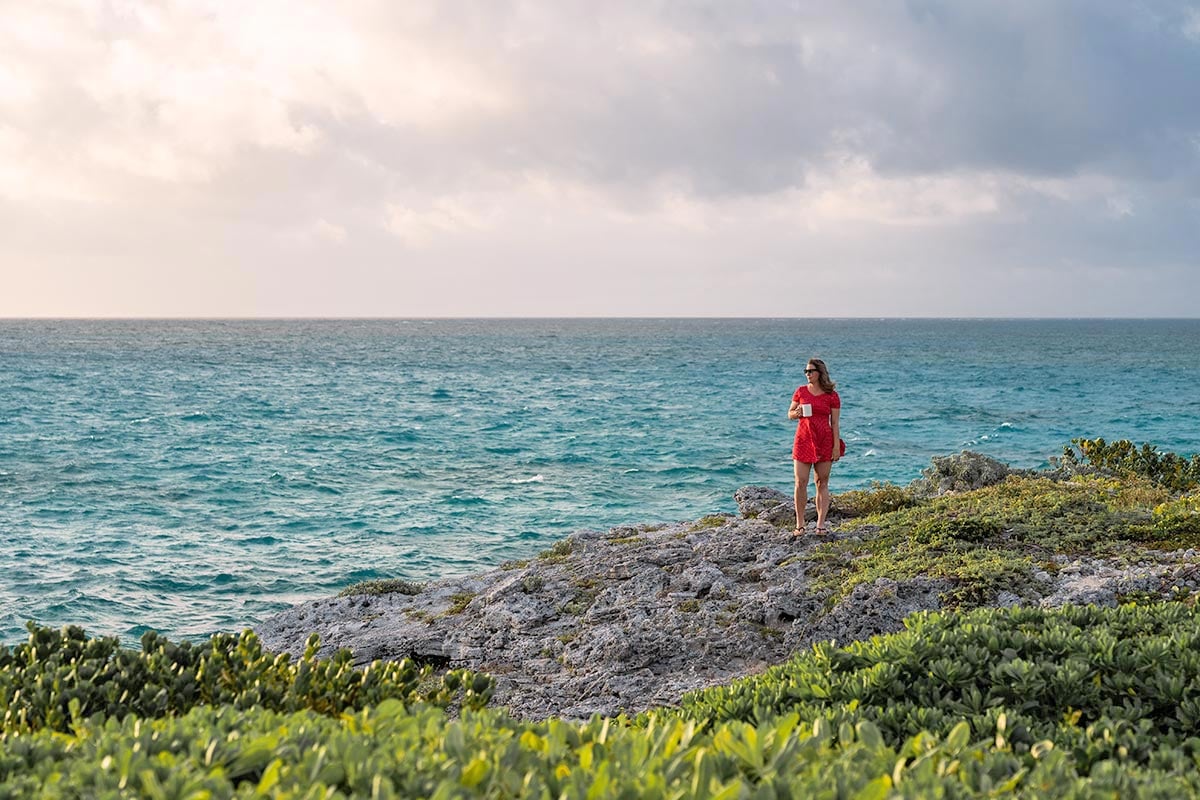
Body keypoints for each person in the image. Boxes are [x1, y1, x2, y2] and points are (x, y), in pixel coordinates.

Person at [788, 358, 842, 536]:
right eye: (806, 371)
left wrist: (836, 446)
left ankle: (820, 525)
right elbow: (790, 413)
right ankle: (800, 524)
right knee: (800, 482)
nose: (807, 374)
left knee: (822, 482)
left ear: (820, 373)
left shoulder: (831, 395)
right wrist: (796, 414)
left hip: (824, 440)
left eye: (810, 371)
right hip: (803, 440)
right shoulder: (801, 391)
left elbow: (834, 423)